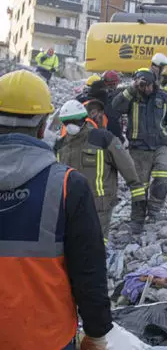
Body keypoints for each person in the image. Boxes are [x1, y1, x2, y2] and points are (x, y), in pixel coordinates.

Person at [0, 70, 112, 350]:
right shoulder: (67, 185)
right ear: (43, 126)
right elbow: (89, 271)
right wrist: (96, 333)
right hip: (46, 339)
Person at [55, 100, 146, 237]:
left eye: (74, 121)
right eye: (67, 122)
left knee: (97, 243)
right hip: (71, 204)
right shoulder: (60, 146)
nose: (71, 125)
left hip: (100, 204)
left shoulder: (103, 138)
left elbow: (126, 165)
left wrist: (137, 192)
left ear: (83, 119)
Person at [112, 68, 167, 233]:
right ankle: (137, 219)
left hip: (159, 145)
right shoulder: (131, 96)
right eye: (143, 86)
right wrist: (132, 88)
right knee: (139, 187)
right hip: (138, 148)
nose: (146, 89)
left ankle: (154, 210)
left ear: (154, 83)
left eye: (149, 85)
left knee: (164, 176)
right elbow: (116, 106)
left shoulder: (163, 98)